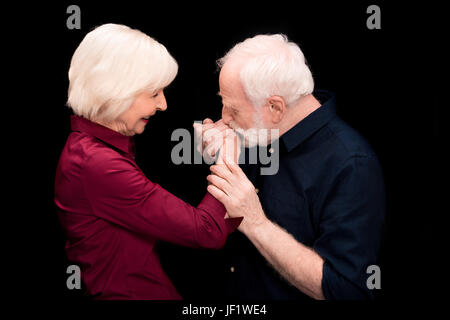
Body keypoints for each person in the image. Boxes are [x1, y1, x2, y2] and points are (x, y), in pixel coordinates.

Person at [54, 23, 241, 300]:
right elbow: (206, 232)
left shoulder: (94, 149)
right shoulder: (98, 164)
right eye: (154, 93)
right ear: (115, 91)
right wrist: (229, 159)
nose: (163, 105)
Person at [200, 34, 385, 300]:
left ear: (275, 107)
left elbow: (345, 289)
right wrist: (220, 156)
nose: (223, 119)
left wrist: (255, 223)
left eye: (233, 110)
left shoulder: (351, 165)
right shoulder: (259, 131)